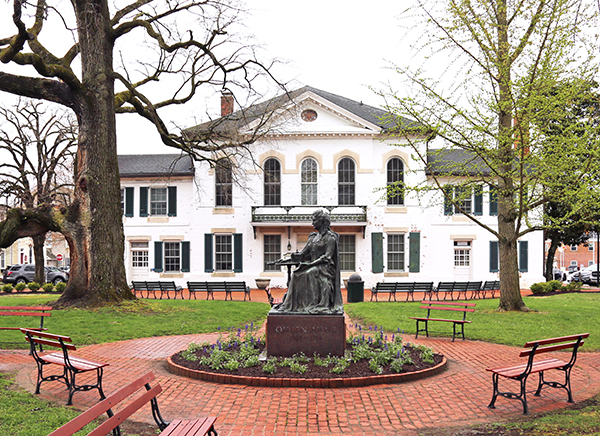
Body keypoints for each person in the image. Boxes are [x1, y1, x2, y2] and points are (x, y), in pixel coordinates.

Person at [271, 210, 343, 315]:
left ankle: (313, 304)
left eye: (314, 220)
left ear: (322, 221)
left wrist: (310, 264)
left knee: (309, 273)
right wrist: (286, 259)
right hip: (312, 266)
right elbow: (302, 254)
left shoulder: (330, 238)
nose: (312, 223)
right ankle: (294, 305)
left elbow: (327, 257)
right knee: (296, 273)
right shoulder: (313, 238)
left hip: (324, 268)